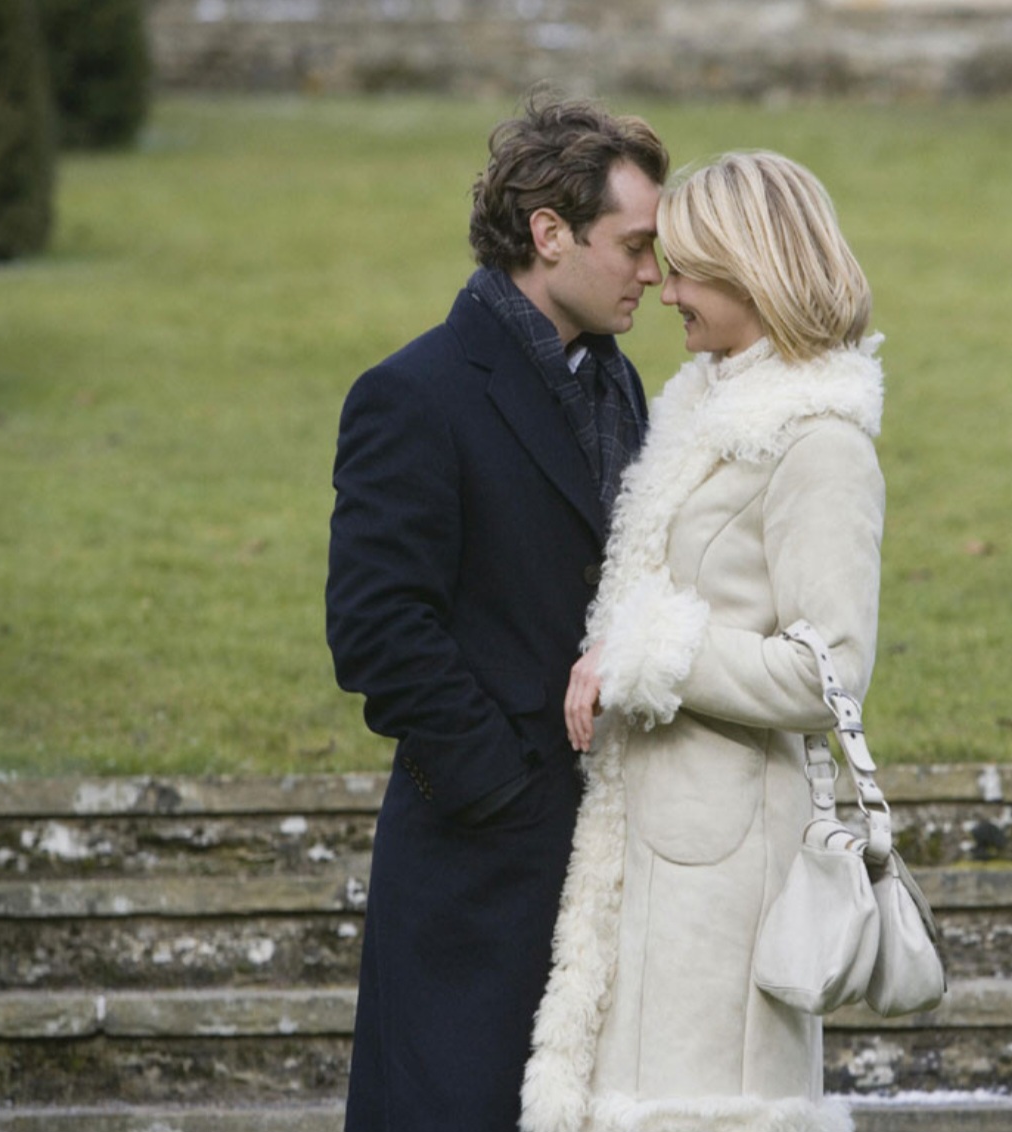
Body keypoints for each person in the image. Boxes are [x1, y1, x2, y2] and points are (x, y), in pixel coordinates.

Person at [519, 152, 886, 1132]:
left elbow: (828, 674)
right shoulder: (702, 408)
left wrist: (649, 650)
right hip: (652, 846)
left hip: (729, 868)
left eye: (684, 269)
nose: (663, 287)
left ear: (750, 271)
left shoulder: (820, 440)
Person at [325, 97, 669, 1131]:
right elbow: (378, 629)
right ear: (549, 232)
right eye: (635, 246)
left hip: (604, 866)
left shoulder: (622, 384)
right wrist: (497, 790)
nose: (654, 274)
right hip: (472, 871)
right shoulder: (412, 393)